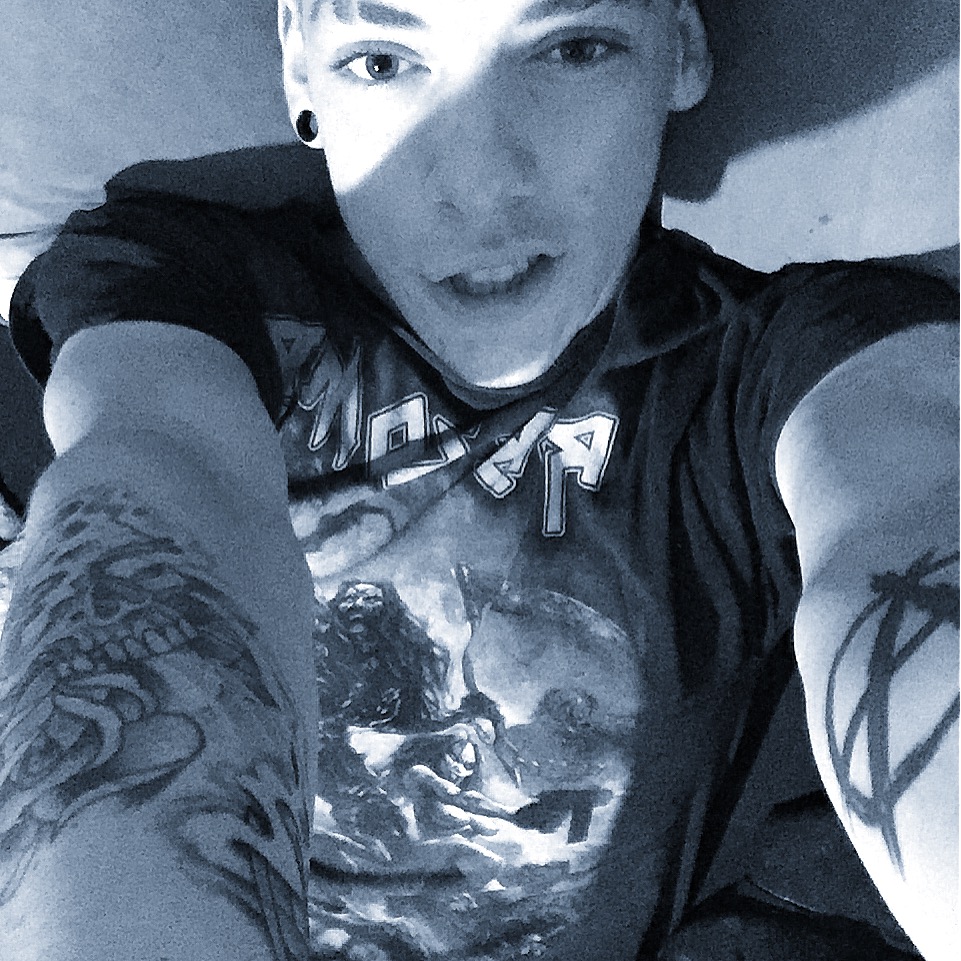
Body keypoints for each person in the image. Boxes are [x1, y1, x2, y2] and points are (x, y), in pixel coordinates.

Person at [0, 1, 956, 959]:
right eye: (382, 61)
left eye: (574, 48)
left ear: (683, 49)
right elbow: (159, 468)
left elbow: (906, 498)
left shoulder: (796, 362)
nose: (480, 186)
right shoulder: (185, 288)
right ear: (298, 67)